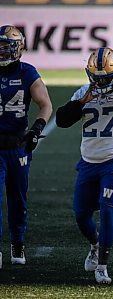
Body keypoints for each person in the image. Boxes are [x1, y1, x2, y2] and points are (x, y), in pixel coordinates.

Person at [56, 47, 113, 284]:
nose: (101, 82)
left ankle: (103, 265)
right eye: (97, 78)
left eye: (106, 77)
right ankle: (95, 245)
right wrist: (80, 103)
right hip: (87, 162)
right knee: (81, 215)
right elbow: (62, 120)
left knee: (107, 211)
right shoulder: (84, 92)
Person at [0, 25, 52, 267]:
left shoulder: (27, 72)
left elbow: (45, 104)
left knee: (17, 198)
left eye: (6, 47)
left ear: (18, 48)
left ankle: (17, 242)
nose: (1, 52)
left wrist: (37, 129)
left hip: (18, 146)